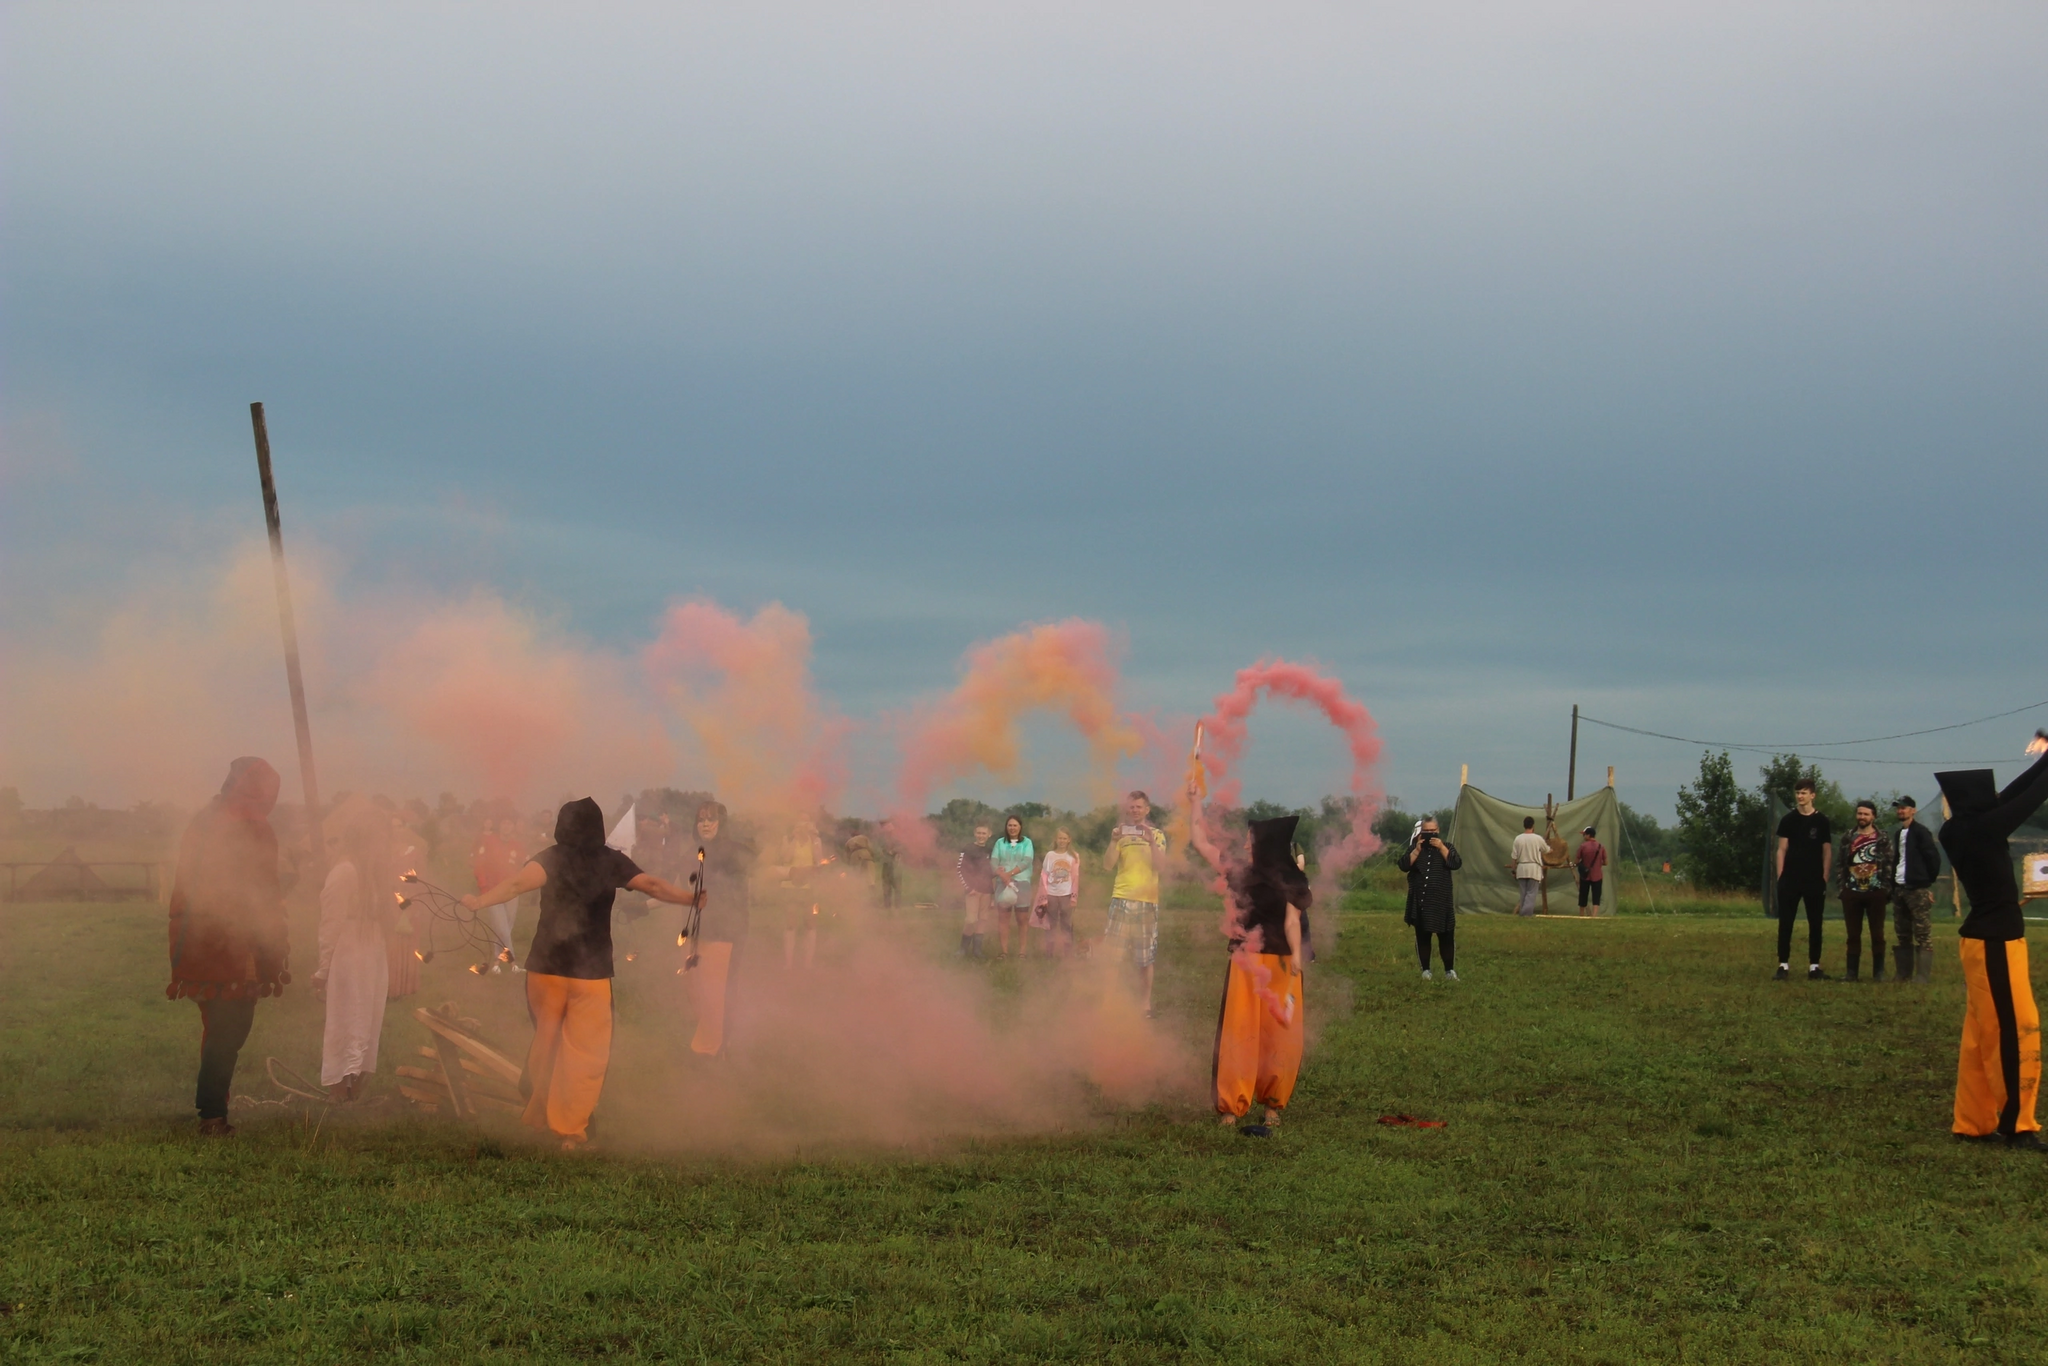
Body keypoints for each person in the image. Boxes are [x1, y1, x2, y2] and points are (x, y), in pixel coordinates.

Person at [462, 798, 696, 1149]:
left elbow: (513, 886)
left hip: (546, 971)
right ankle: (570, 1131)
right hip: (591, 976)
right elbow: (653, 886)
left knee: (547, 1042)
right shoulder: (610, 860)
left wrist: (478, 902)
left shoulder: (550, 858)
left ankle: (539, 1109)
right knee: (584, 1053)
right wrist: (691, 898)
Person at [166, 757, 291, 1137]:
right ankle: (212, 1115)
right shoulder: (250, 823)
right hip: (232, 941)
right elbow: (261, 886)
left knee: (219, 1027)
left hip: (201, 936)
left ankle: (213, 1108)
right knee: (228, 1030)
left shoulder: (206, 818)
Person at [1937, 738, 2048, 1149]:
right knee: (2015, 1031)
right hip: (1996, 943)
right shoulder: (1981, 828)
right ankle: (2018, 1125)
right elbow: (2030, 797)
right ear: (1977, 802)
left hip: (1984, 942)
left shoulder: (1961, 827)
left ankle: (1973, 1121)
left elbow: (2015, 793)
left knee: (1981, 1034)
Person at [1187, 781, 1310, 1137]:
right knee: (1239, 1033)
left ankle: (1273, 1104)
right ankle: (1232, 1104)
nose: (1243, 843)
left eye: (1249, 839)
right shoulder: (1239, 870)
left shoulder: (1291, 877)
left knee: (1280, 1037)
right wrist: (1196, 803)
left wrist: (1298, 959)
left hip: (1281, 964)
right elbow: (1200, 843)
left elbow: (1291, 921)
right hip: (1245, 961)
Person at [314, 803, 392, 1100]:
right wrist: (324, 968)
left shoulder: (373, 873)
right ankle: (338, 1089)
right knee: (347, 1017)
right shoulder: (345, 871)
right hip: (349, 952)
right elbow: (330, 923)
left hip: (371, 950)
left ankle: (355, 1088)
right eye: (380, 839)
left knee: (368, 1017)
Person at [684, 800, 755, 1057]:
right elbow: (681, 890)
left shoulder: (734, 851)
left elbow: (762, 869)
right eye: (700, 819)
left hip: (728, 931)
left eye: (711, 819)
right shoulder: (694, 852)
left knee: (722, 989)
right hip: (703, 930)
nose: (705, 824)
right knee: (702, 989)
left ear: (721, 823)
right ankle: (711, 1040)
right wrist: (643, 904)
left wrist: (793, 870)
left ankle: (720, 1046)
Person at [1100, 791, 1168, 1017]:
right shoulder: (1121, 835)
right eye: (1132, 807)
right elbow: (1108, 865)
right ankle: (1108, 1003)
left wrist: (1151, 843)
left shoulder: (1157, 835)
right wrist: (1113, 841)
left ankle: (1145, 1004)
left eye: (1139, 807)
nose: (1135, 810)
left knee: (1144, 958)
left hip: (1147, 903)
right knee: (1113, 956)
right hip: (1121, 899)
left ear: (1147, 809)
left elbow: (1161, 867)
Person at [1774, 778, 1834, 981]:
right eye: (1798, 793)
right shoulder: (1788, 820)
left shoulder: (1822, 821)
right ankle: (1783, 965)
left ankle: (1814, 967)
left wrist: (1824, 876)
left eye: (1804, 793)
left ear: (1813, 795)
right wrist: (1780, 876)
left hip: (1814, 880)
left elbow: (1827, 851)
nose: (1800, 796)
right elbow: (1782, 849)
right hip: (1790, 879)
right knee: (1786, 922)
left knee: (1815, 923)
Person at [1835, 801, 1895, 982]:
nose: (1862, 817)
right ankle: (1851, 972)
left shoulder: (1882, 838)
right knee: (1853, 934)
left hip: (1876, 891)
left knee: (1877, 933)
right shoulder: (1848, 837)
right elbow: (1840, 863)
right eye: (1859, 813)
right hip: (1852, 891)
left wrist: (1885, 889)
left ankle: (1878, 973)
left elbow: (1890, 863)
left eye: (1866, 814)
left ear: (1873, 816)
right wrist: (1842, 888)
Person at [1400, 817, 1461, 980]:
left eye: (1433, 831)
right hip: (1421, 901)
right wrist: (1417, 850)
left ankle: (1449, 971)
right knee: (1423, 937)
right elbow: (1404, 865)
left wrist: (1441, 847)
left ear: (1438, 831)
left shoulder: (1447, 846)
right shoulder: (1415, 848)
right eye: (1426, 831)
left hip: (1442, 901)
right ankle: (1426, 970)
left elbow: (1456, 863)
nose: (1430, 835)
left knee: (1446, 937)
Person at [1890, 795, 1942, 984]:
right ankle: (1903, 973)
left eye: (1904, 808)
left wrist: (1926, 882)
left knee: (1922, 932)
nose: (1900, 811)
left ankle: (1922, 976)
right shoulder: (1898, 834)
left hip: (1917, 889)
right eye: (1898, 808)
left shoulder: (1921, 832)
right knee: (1902, 932)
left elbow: (1933, 858)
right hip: (1900, 888)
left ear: (1913, 810)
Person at [470, 816, 524, 972]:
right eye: (504, 822)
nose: (507, 826)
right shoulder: (489, 842)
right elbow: (479, 864)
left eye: (510, 823)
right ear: (499, 826)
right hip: (493, 890)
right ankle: (513, 963)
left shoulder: (517, 845)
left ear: (514, 827)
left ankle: (496, 963)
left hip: (513, 891)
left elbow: (522, 866)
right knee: (502, 927)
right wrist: (483, 887)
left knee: (506, 926)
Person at [771, 819, 825, 969]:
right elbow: (785, 858)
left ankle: (808, 963)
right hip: (790, 886)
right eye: (800, 824)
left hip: (809, 887)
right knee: (790, 924)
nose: (803, 827)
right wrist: (794, 839)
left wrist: (814, 840)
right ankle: (788, 963)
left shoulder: (815, 841)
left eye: (806, 824)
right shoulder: (787, 839)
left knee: (810, 924)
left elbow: (819, 862)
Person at [990, 815, 1035, 958]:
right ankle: (1004, 951)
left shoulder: (1027, 843)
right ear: (1006, 827)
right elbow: (994, 861)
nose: (1012, 828)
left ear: (1020, 827)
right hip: (1003, 884)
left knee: (1022, 919)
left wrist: (1010, 873)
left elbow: (1027, 860)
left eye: (1015, 825)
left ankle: (1022, 951)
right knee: (1003, 918)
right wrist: (1002, 875)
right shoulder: (1000, 843)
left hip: (1021, 883)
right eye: (1010, 825)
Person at [1034, 828, 1082, 959]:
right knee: (1051, 924)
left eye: (1065, 838)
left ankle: (1068, 953)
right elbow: (1044, 875)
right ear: (1056, 839)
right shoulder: (1050, 855)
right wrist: (1044, 897)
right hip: (1052, 894)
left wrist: (1073, 896)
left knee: (1066, 924)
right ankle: (1049, 953)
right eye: (1060, 838)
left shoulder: (1073, 856)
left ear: (1069, 840)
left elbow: (1075, 877)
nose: (1062, 841)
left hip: (1066, 894)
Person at [956, 823, 995, 957]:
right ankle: (963, 949)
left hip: (987, 891)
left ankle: (977, 950)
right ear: (974, 833)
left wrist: (993, 895)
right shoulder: (968, 848)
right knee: (971, 919)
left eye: (984, 833)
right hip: (973, 890)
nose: (981, 836)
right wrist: (968, 887)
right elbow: (960, 869)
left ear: (989, 834)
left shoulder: (991, 850)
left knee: (983, 919)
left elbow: (992, 873)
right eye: (979, 833)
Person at [1511, 816, 1547, 917]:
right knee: (1531, 893)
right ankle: (1526, 914)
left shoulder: (1518, 838)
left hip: (1522, 868)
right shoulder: (1538, 838)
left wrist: (1513, 870)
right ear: (1533, 826)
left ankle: (1524, 914)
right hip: (1533, 869)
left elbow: (1514, 857)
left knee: (1523, 894)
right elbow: (1547, 849)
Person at [1574, 826, 1607, 916]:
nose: (1584, 836)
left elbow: (1576, 861)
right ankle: (1594, 915)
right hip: (1597, 875)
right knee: (1596, 895)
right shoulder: (1601, 846)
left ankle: (1581, 914)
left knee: (1583, 894)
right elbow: (1606, 862)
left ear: (1588, 835)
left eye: (1584, 835)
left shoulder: (1583, 846)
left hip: (1585, 875)